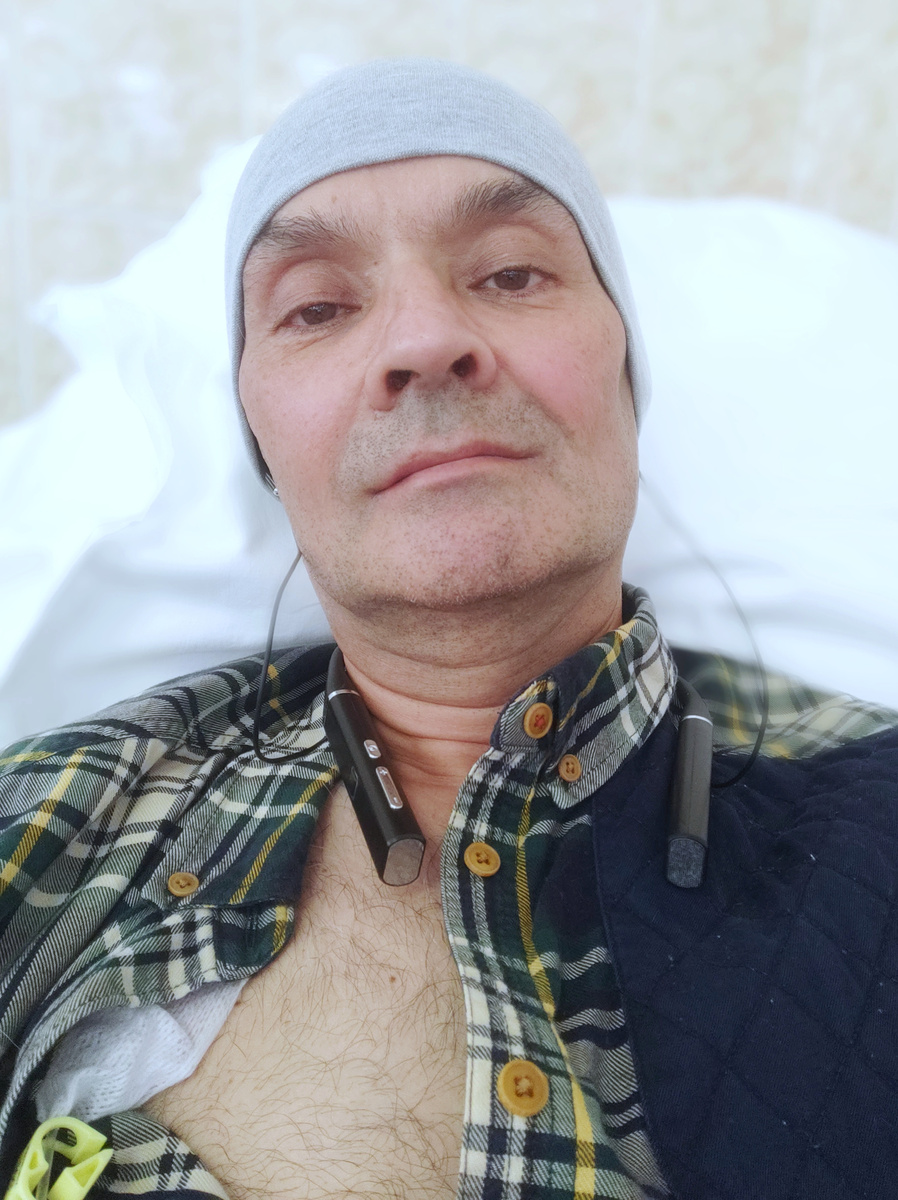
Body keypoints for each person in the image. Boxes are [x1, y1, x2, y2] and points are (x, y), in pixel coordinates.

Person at [1, 58, 897, 1200]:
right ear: (262, 443)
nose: (424, 339)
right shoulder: (52, 820)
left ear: (626, 376)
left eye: (512, 273)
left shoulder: (874, 807)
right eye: (317, 308)